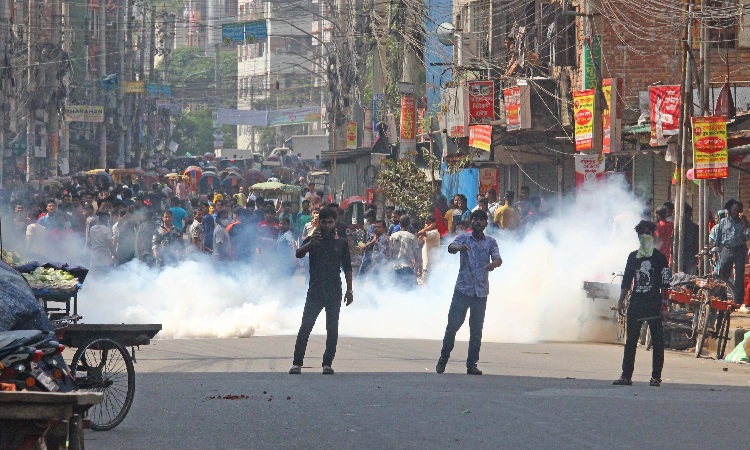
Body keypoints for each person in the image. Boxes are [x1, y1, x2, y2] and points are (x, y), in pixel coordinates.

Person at [436, 210, 502, 375]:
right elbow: (451, 247)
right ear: (471, 222)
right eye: (474, 219)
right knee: (452, 327)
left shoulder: (491, 242)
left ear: (486, 223)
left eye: (481, 220)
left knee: (476, 331)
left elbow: (498, 259)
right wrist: (459, 248)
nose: (477, 222)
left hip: (480, 292)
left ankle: (471, 364)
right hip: (463, 290)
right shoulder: (464, 238)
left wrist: (493, 265)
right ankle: (443, 359)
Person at [289, 208, 353, 375]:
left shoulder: (341, 243)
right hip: (315, 290)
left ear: (335, 222)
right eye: (323, 222)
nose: (327, 225)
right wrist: (311, 243)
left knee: (332, 328)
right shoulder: (313, 239)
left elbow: (347, 267)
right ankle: (297, 363)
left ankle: (327, 363)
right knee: (306, 326)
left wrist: (350, 290)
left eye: (330, 222)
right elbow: (298, 254)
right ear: (319, 223)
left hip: (334, 290)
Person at [613, 220, 671, 387]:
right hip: (636, 304)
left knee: (658, 342)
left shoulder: (660, 258)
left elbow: (665, 284)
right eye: (641, 235)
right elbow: (627, 281)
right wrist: (621, 301)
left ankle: (656, 377)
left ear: (653, 236)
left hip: (654, 304)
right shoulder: (633, 257)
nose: (644, 237)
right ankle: (626, 375)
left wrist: (665, 306)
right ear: (638, 237)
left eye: (647, 234)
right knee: (631, 341)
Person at [714, 199, 750, 308]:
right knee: (724, 274)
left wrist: (746, 226)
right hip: (726, 250)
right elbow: (718, 238)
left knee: (739, 276)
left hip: (739, 250)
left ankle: (738, 301)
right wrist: (716, 252)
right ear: (730, 210)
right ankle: (722, 298)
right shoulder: (723, 222)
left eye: (737, 210)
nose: (735, 212)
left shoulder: (742, 222)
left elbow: (747, 237)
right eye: (733, 210)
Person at [389, 215, 419, 287]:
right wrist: (417, 268)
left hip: (395, 266)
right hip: (407, 266)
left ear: (400, 224)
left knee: (396, 288)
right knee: (409, 288)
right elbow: (417, 253)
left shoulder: (393, 236)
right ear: (409, 225)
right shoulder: (412, 237)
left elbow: (389, 252)